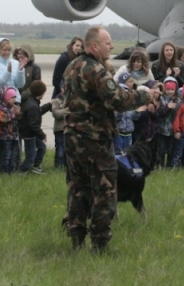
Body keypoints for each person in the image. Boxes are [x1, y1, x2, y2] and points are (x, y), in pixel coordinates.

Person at [63, 26, 152, 253]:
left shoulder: (71, 67)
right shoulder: (97, 71)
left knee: (77, 188)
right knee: (104, 192)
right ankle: (100, 243)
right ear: (95, 46)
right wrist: (144, 94)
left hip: (73, 138)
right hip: (95, 140)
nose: (112, 47)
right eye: (108, 43)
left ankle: (76, 239)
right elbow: (118, 100)